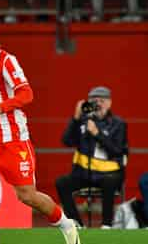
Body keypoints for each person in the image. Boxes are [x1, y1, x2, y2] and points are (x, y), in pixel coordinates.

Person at [0, 16, 80, 244]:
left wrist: (2, 106)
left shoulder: (6, 62)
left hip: (12, 139)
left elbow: (27, 94)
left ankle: (66, 224)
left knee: (27, 196)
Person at [55, 86, 128, 228]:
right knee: (62, 182)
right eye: (94, 101)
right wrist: (75, 119)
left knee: (109, 182)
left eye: (102, 100)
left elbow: (118, 151)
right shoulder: (82, 121)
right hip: (84, 173)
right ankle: (76, 223)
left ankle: (106, 224)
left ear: (109, 103)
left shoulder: (118, 124)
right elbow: (66, 141)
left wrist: (97, 134)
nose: (98, 104)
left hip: (110, 173)